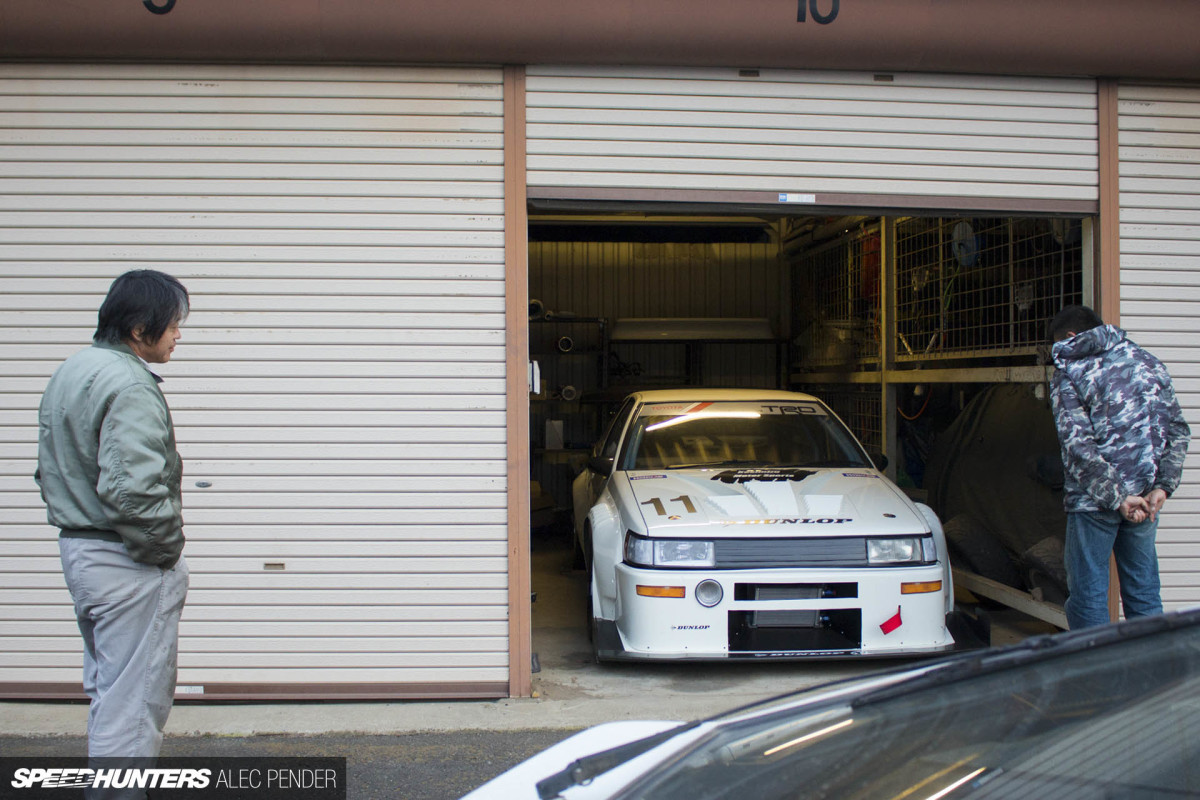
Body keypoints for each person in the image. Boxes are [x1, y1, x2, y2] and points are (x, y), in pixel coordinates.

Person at [35, 270, 190, 788]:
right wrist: (166, 551)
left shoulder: (74, 370)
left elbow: (51, 470)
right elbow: (134, 492)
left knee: (110, 692)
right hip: (126, 560)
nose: (178, 335)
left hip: (81, 552)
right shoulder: (128, 382)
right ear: (141, 325)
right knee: (134, 704)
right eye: (173, 324)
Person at [1048, 304, 1190, 630]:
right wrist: (1161, 488)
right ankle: (1155, 675)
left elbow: (1078, 447)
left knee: (1089, 597)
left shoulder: (1070, 372)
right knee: (1144, 594)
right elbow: (1178, 432)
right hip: (1145, 500)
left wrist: (1117, 497)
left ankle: (1097, 676)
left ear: (1071, 337)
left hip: (1094, 503)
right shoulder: (1149, 363)